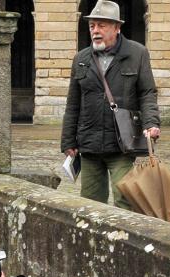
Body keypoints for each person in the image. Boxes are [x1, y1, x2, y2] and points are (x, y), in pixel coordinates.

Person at [61, 0, 161, 211]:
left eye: (101, 25)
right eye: (92, 26)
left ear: (117, 28)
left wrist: (151, 123)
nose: (95, 31)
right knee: (90, 204)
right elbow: (73, 104)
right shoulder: (81, 58)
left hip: (122, 145)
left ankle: (123, 242)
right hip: (89, 144)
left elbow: (147, 93)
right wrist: (68, 140)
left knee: (125, 199)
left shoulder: (137, 54)